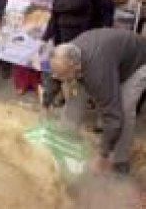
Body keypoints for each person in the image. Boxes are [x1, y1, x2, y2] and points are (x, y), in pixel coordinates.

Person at [49, 28, 146, 174]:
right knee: (74, 96)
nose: (58, 77)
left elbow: (113, 115)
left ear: (76, 66)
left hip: (138, 63)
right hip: (110, 57)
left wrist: (103, 154)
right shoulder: (64, 54)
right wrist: (46, 99)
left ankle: (119, 161)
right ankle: (66, 139)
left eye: (62, 74)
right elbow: (55, 76)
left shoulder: (97, 74)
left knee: (124, 110)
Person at [11, 0, 55, 95]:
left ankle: (36, 82)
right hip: (22, 20)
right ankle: (22, 83)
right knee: (21, 50)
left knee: (37, 52)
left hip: (39, 21)